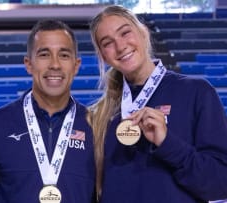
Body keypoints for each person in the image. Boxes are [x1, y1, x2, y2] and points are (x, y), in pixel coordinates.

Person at [87, 4, 227, 203]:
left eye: (125, 32)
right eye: (107, 43)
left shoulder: (196, 92)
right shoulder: (100, 115)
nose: (120, 46)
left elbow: (220, 184)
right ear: (103, 56)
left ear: (143, 32)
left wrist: (167, 143)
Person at [0, 20, 96, 203]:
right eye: (44, 55)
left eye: (64, 55)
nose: (55, 65)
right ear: (29, 64)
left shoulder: (95, 126)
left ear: (76, 65)